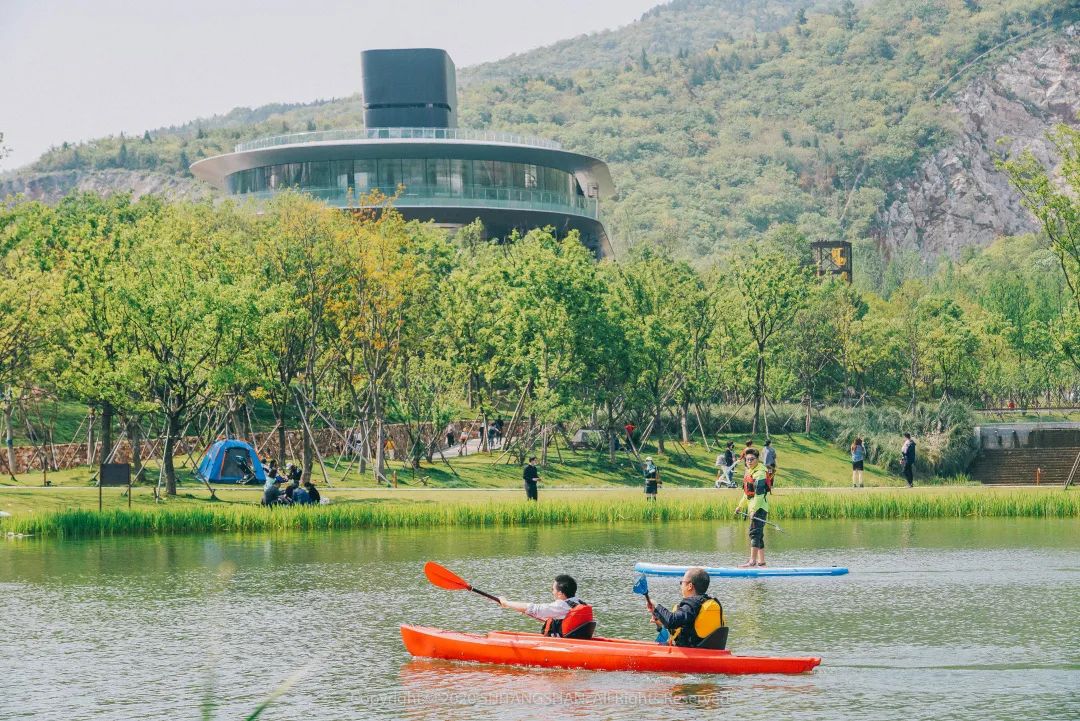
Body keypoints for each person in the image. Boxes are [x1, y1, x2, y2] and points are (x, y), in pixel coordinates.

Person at [646, 567, 725, 648]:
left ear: (690, 586)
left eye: (682, 582)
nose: (681, 585)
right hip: (709, 651)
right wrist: (661, 621)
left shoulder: (693, 604)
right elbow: (685, 629)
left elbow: (671, 621)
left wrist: (656, 606)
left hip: (692, 652)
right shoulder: (707, 603)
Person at [498, 574, 594, 638]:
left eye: (553, 589)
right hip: (576, 640)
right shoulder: (578, 602)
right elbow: (558, 618)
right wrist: (523, 610)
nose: (552, 592)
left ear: (560, 593)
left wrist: (506, 603)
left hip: (564, 645)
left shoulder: (561, 605)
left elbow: (532, 608)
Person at [734, 448, 770, 568]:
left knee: (754, 533)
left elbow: (759, 495)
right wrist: (740, 506)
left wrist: (754, 510)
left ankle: (752, 561)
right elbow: (747, 493)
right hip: (754, 508)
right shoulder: (750, 472)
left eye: (752, 459)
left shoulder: (760, 474)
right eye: (747, 459)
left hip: (759, 508)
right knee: (759, 535)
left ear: (757, 459)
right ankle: (762, 562)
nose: (749, 461)